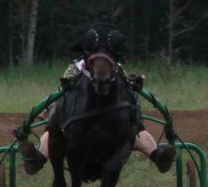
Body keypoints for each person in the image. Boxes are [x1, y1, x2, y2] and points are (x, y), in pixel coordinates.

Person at [17, 22, 177, 174]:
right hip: (77, 125)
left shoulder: (115, 68)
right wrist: (49, 109)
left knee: (134, 129)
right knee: (55, 128)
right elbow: (60, 94)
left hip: (111, 124)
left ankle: (157, 156)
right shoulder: (77, 68)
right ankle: (38, 158)